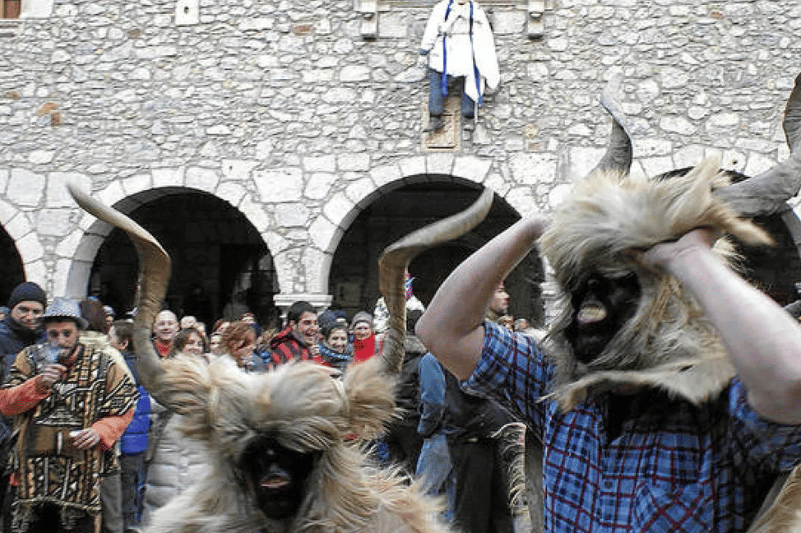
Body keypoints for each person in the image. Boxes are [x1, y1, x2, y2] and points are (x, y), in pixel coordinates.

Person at [417, 205, 801, 531]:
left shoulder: (723, 409)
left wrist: (687, 258)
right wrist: (535, 225)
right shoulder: (560, 386)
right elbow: (442, 332)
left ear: (671, 314)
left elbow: (792, 381)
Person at [0, 297, 138, 533]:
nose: (61, 341)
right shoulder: (28, 359)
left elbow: (124, 405)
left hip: (81, 480)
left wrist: (99, 431)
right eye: (54, 334)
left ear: (78, 332)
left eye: (67, 333)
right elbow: (6, 404)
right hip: (29, 480)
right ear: (45, 332)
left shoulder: (103, 364)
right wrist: (38, 384)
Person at [0, 281, 47, 532]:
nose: (30, 317)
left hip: (32, 441)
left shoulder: (48, 342)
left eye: (36, 311)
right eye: (24, 310)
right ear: (12, 310)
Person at [418, 0, 499, 132]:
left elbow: (483, 33)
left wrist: (482, 54)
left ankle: (468, 116)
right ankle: (435, 116)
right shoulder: (442, 8)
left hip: (465, 48)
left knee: (471, 78)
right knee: (436, 77)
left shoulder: (475, 9)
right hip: (445, 47)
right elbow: (432, 29)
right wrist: (424, 50)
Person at [108, 320, 151, 533]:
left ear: (123, 344)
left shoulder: (120, 366)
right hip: (137, 443)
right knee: (129, 494)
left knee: (118, 497)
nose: (106, 344)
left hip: (122, 440)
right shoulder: (143, 364)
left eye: (109, 339)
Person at [268, 300, 319, 368]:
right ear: (293, 325)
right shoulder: (285, 351)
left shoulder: (306, 348)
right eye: (307, 323)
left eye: (315, 323)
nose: (314, 328)